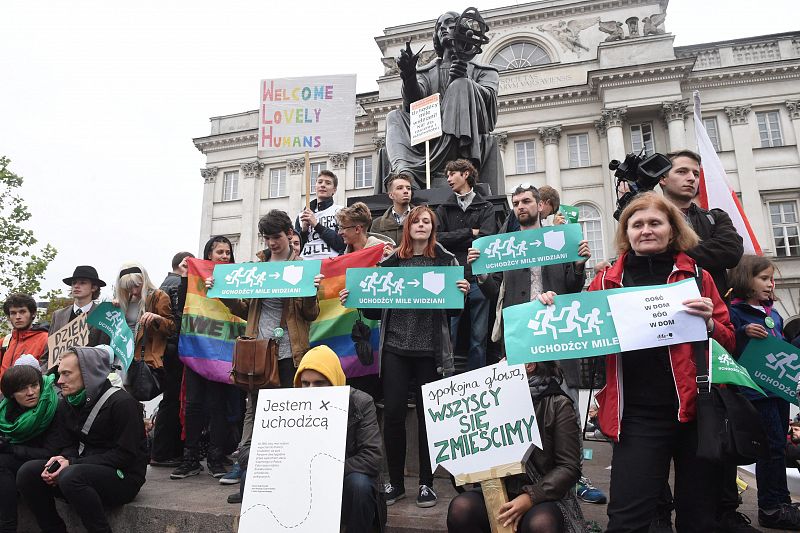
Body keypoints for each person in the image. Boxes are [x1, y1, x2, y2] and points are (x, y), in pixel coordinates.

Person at [588, 192, 735, 533]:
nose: (646, 230)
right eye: (637, 225)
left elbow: (730, 341)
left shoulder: (698, 276)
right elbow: (579, 331)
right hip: (637, 415)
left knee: (698, 519)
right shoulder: (606, 282)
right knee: (626, 519)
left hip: (696, 413)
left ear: (673, 229)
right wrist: (549, 305)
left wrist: (711, 325)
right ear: (626, 234)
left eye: (655, 222)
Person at [467, 183, 606, 505]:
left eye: (526, 201)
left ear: (541, 205)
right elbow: (493, 295)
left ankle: (575, 477)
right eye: (515, 202)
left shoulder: (558, 241)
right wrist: (482, 274)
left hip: (557, 332)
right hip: (520, 335)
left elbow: (572, 286)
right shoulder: (506, 247)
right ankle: (525, 476)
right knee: (520, 407)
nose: (520, 206)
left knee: (565, 404)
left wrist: (579, 263)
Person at [339, 205, 470, 508]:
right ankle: (395, 483)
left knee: (428, 418)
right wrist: (355, 298)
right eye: (417, 221)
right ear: (408, 227)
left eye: (427, 221)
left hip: (430, 351)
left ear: (432, 228)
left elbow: (451, 311)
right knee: (395, 414)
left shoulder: (446, 260)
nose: (421, 225)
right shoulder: (391, 261)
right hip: (396, 347)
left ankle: (426, 482)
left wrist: (459, 294)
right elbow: (374, 310)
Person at [653, 149, 747, 533]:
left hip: (711, 327)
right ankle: (659, 512)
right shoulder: (648, 210)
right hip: (663, 331)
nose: (691, 178)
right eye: (682, 172)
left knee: (715, 423)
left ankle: (723, 510)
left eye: (696, 172)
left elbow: (731, 250)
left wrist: (677, 248)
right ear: (663, 178)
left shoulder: (714, 216)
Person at [215, 210, 321, 500]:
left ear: (289, 234)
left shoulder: (302, 267)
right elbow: (243, 307)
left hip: (289, 352)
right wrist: (221, 293)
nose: (272, 243)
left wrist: (311, 292)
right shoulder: (257, 266)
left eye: (276, 237)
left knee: (286, 417)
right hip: (257, 352)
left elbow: (311, 314)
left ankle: (284, 483)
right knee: (254, 414)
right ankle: (247, 482)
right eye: (267, 238)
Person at [16, 346, 148, 533]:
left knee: (71, 476)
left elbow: (125, 455)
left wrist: (71, 463)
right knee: (28, 472)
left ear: (89, 373)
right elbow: (67, 444)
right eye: (60, 374)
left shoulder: (123, 404)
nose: (60, 381)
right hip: (81, 469)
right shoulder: (66, 403)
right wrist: (62, 460)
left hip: (123, 477)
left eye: (67, 374)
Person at [446, 360, 585, 533]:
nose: (498, 363)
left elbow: (569, 467)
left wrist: (530, 497)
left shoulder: (559, 404)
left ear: (529, 365)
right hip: (497, 487)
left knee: (541, 523)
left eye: (506, 358)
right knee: (461, 508)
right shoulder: (490, 398)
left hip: (544, 494)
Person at [385, 11, 501, 189]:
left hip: (466, 134)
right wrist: (409, 75)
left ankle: (458, 167)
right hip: (429, 132)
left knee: (460, 85)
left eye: (450, 24)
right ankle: (405, 172)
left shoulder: (484, 71)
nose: (444, 29)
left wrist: (467, 82)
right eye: (440, 27)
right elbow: (413, 105)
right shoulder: (426, 72)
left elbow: (489, 103)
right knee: (394, 116)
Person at [728, 255, 800, 530]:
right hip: (755, 392)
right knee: (769, 448)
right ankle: (770, 507)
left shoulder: (775, 314)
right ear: (746, 279)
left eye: (772, 279)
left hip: (778, 391)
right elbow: (726, 341)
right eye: (764, 278)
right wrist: (743, 330)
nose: (771, 284)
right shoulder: (735, 312)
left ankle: (781, 501)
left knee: (779, 447)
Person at [294, 345, 386, 532]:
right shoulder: (287, 406)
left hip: (344, 485)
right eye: (305, 383)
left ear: (334, 381)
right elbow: (247, 451)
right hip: (301, 484)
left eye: (319, 383)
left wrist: (325, 468)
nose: (311, 390)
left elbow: (372, 457)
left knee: (359, 484)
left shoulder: (361, 402)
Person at [172, 236, 239, 480]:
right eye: (219, 252)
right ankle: (190, 458)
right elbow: (182, 308)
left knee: (218, 405)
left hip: (222, 352)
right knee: (193, 405)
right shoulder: (195, 278)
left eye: (227, 252)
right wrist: (184, 278)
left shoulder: (238, 278)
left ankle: (216, 457)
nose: (224, 256)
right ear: (208, 255)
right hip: (198, 350)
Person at [436, 158, 497, 371]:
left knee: (478, 337)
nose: (449, 179)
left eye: (453, 174)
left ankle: (477, 379)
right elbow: (438, 238)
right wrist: (470, 232)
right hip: (452, 277)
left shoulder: (486, 207)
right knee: (449, 335)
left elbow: (487, 238)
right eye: (447, 175)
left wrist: (459, 238)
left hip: (479, 276)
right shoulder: (444, 208)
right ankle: (447, 380)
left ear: (466, 174)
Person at [0, 360, 67, 533]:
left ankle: (7, 527)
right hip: (18, 462)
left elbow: (51, 452)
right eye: (22, 389)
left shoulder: (54, 406)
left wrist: (11, 448)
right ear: (11, 394)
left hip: (51, 463)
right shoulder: (6, 411)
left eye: (34, 385)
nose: (31, 393)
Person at [150, 252, 194, 467]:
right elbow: (179, 317)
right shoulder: (177, 284)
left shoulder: (163, 285)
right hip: (176, 346)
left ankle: (161, 451)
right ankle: (167, 452)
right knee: (175, 400)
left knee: (169, 399)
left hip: (165, 348)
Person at [113, 262, 174, 382]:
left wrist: (157, 318)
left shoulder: (159, 296)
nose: (134, 291)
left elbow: (172, 328)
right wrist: (116, 308)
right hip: (122, 350)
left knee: (132, 391)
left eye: (137, 285)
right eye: (129, 287)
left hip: (142, 354)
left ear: (144, 281)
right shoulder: (124, 299)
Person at [48, 266, 111, 366]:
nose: (76, 286)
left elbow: (104, 352)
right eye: (74, 283)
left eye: (82, 282)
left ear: (94, 287)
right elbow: (48, 351)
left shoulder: (102, 315)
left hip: (88, 373)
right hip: (56, 373)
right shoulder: (58, 315)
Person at [294, 170, 345, 259]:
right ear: (315, 187)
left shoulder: (340, 211)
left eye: (328, 183)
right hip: (305, 263)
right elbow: (296, 248)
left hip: (330, 263)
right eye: (320, 182)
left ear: (334, 190)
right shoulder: (301, 215)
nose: (323, 185)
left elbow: (342, 244)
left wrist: (317, 226)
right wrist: (304, 231)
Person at [1, 293, 48, 379]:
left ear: (33, 314)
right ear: (8, 316)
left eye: (22, 312)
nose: (18, 317)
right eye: (13, 313)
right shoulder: (5, 341)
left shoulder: (46, 339)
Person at [370, 173, 414, 245]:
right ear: (391, 195)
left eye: (408, 188)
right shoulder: (377, 224)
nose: (406, 191)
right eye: (400, 188)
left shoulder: (422, 219)